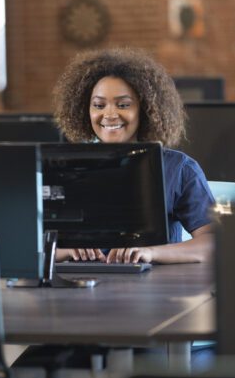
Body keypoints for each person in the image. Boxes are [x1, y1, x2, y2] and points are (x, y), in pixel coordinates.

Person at [52, 47, 215, 264]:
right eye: (99, 105)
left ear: (145, 109)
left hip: (154, 290)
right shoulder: (63, 167)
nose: (109, 114)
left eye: (123, 105)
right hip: (79, 287)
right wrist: (62, 251)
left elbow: (214, 241)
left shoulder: (178, 168)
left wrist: (152, 252)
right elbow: (28, 243)